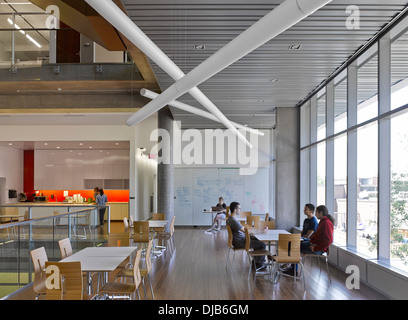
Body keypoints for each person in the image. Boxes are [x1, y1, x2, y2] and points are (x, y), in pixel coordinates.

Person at [284, 205, 334, 276]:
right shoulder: (323, 222)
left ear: (321, 213)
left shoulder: (326, 223)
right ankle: (291, 266)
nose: (315, 213)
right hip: (313, 244)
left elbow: (329, 240)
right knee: (292, 243)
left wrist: (316, 248)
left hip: (316, 248)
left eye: (316, 212)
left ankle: (292, 269)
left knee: (292, 245)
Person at [226, 201, 267, 270]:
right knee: (262, 245)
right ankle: (259, 264)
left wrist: (255, 232)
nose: (240, 210)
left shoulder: (230, 219)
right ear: (235, 210)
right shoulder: (233, 221)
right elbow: (245, 231)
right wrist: (259, 231)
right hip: (240, 242)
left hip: (239, 240)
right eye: (239, 208)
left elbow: (245, 231)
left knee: (257, 240)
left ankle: (256, 262)